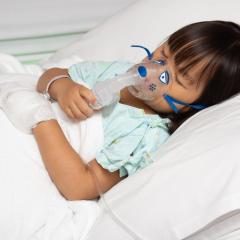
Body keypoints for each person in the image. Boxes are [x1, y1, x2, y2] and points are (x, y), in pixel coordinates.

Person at [1, 20, 239, 201]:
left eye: (179, 78)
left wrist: (41, 118)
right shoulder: (116, 71)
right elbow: (49, 76)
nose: (154, 70)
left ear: (194, 105)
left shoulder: (146, 135)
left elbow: (80, 187)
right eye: (163, 54)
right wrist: (62, 87)